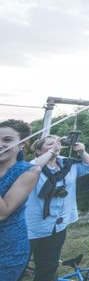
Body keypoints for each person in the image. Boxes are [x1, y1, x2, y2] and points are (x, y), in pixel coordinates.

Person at [25, 134, 89, 281]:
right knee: (18, 265)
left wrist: (81, 152)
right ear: (38, 151)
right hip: (31, 226)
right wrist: (52, 151)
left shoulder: (67, 164)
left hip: (57, 225)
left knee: (48, 267)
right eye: (49, 144)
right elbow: (31, 167)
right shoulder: (32, 166)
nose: (55, 146)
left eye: (57, 143)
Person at [0, 120, 41, 281]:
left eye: (7, 140)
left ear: (22, 144)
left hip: (7, 250)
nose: (1, 144)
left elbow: (3, 213)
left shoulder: (29, 171)